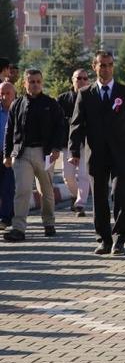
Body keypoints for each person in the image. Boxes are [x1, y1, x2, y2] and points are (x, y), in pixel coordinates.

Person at [69, 51, 125, 256]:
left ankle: (120, 239)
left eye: (109, 65)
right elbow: (76, 125)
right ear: (94, 67)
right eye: (102, 65)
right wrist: (74, 151)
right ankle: (104, 240)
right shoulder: (85, 94)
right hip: (96, 154)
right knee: (100, 198)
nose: (106, 68)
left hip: (121, 154)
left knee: (120, 193)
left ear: (113, 67)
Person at [3, 69, 64, 242]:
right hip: (21, 154)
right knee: (22, 190)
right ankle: (18, 229)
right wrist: (7, 154)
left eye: (38, 81)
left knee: (46, 190)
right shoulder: (17, 104)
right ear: (24, 83)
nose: (35, 84)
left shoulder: (51, 103)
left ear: (42, 83)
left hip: (44, 154)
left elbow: (60, 126)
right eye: (31, 81)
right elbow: (9, 130)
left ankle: (48, 222)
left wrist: (56, 148)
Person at [56, 68, 91, 217]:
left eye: (84, 78)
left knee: (84, 175)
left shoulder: (91, 98)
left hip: (87, 143)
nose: (81, 81)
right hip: (68, 143)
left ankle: (80, 205)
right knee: (68, 176)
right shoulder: (63, 99)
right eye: (78, 78)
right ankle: (76, 195)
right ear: (72, 80)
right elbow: (56, 120)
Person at [0, 82, 16, 231]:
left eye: (7, 93)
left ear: (14, 94)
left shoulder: (18, 110)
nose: (4, 97)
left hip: (12, 154)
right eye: (2, 94)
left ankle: (5, 218)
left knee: (8, 187)